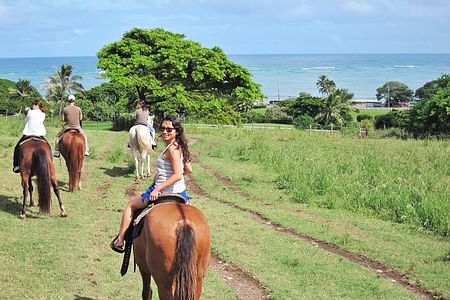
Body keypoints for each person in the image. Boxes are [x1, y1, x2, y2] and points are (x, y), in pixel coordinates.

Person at [111, 115, 192, 253]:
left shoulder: (172, 149)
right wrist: (163, 175)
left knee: (131, 204)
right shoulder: (179, 147)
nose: (165, 132)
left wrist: (158, 187)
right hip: (180, 192)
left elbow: (178, 174)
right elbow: (188, 170)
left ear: (176, 131)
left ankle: (120, 240)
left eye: (169, 129)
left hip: (162, 190)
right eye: (163, 128)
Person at [12, 100, 49, 173]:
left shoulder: (29, 112)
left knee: (16, 148)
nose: (33, 105)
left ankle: (16, 165)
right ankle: (49, 164)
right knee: (48, 147)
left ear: (37, 105)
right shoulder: (43, 114)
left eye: (34, 104)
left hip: (28, 133)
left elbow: (26, 120)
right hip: (39, 134)